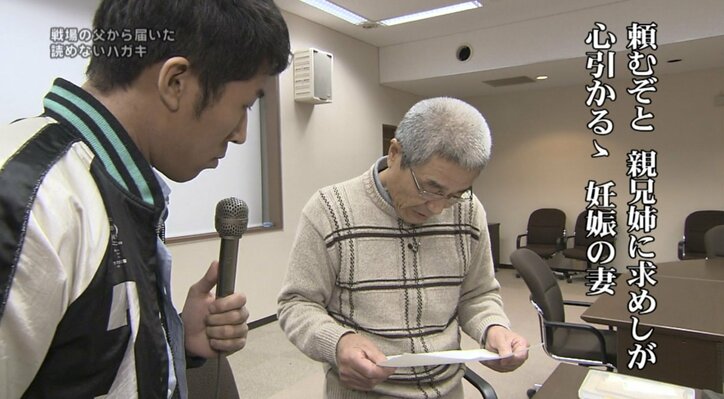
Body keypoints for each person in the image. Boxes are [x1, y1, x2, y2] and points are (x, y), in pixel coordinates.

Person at [0, 0, 289, 397]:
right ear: (176, 83)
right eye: (244, 106)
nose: (241, 133)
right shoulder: (31, 199)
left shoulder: (112, 184)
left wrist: (175, 338)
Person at [278, 97, 529, 398]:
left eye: (456, 193)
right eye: (430, 188)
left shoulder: (469, 211)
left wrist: (493, 327)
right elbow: (296, 303)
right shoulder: (330, 210)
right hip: (365, 391)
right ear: (395, 152)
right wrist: (339, 341)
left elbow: (478, 293)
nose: (438, 207)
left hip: (448, 389)